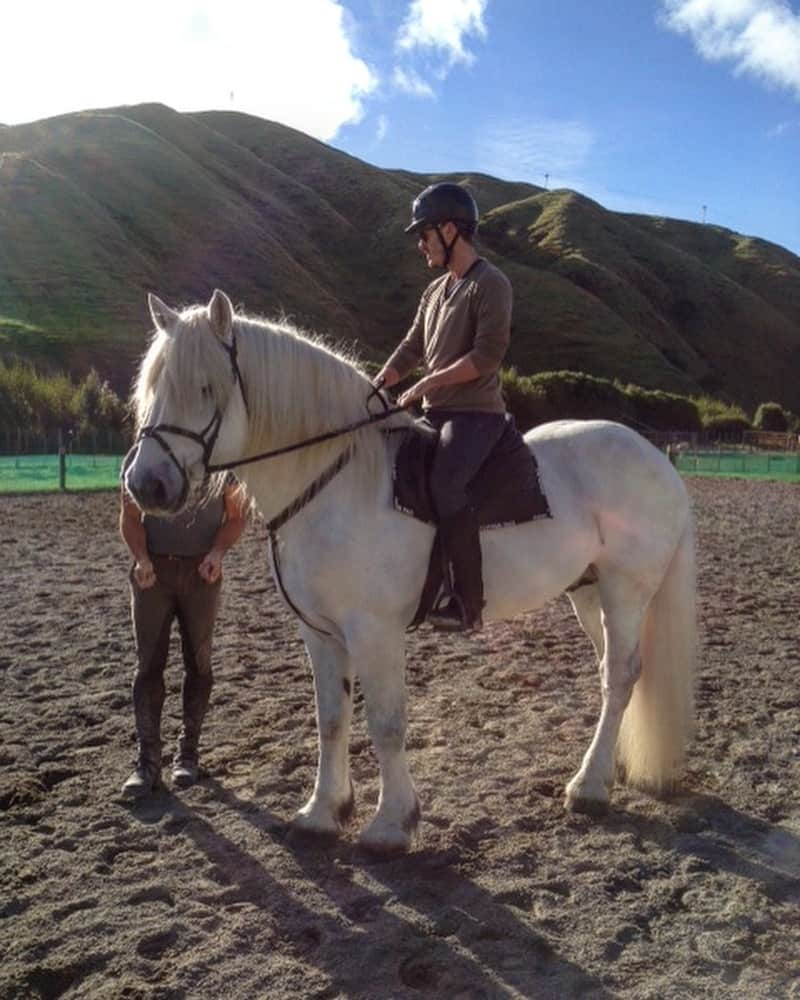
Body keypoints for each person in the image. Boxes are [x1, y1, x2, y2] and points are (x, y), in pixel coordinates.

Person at [375, 182, 513, 632]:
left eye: (425, 234)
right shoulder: (434, 292)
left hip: (476, 415)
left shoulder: (492, 284)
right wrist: (382, 380)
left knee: (447, 483)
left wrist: (429, 382)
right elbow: (412, 346)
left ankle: (467, 602)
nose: (421, 244)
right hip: (434, 412)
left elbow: (486, 357)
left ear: (451, 230)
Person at [119, 478, 247, 797]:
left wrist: (217, 553)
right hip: (153, 574)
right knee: (148, 665)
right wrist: (141, 557)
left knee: (199, 662)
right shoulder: (142, 461)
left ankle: (187, 754)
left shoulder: (221, 467)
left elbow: (236, 516)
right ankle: (147, 762)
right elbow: (130, 517)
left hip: (201, 572)